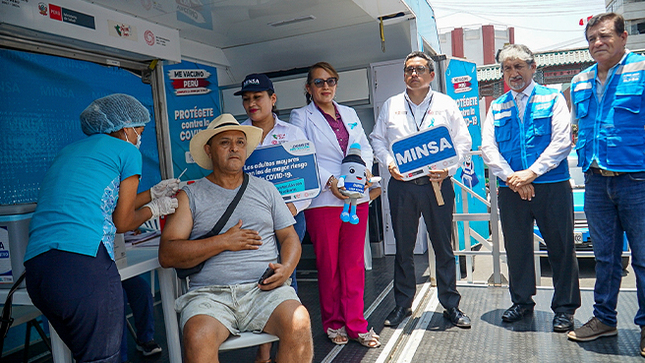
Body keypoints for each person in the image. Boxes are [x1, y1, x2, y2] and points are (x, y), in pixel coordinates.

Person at [24, 93, 179, 363]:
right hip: (83, 268)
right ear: (125, 127)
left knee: (89, 355)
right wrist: (155, 209)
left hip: (38, 272)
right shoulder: (127, 151)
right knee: (105, 357)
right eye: (139, 131)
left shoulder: (68, 152)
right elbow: (123, 222)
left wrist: (152, 194)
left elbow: (108, 205)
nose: (139, 138)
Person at [158, 114, 313, 363]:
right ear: (209, 150)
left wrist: (286, 269)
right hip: (209, 296)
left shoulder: (266, 189)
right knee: (197, 336)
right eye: (225, 142)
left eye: (240, 142)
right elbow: (167, 254)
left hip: (263, 291)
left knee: (299, 321)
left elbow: (289, 237)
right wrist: (223, 242)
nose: (234, 148)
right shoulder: (190, 195)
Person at [481, 44, 581, 332]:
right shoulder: (497, 106)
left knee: (562, 248)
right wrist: (514, 178)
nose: (513, 73)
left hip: (551, 185)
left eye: (519, 66)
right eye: (507, 68)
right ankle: (522, 302)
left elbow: (562, 141)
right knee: (517, 248)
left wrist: (531, 174)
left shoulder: (553, 99)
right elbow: (488, 148)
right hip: (512, 188)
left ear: (533, 67)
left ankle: (564, 309)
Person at [370, 51, 472, 329]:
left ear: (431, 74)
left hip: (437, 184)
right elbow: (377, 140)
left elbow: (463, 142)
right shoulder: (391, 105)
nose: (413, 74)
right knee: (403, 248)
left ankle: (451, 305)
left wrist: (449, 170)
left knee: (443, 246)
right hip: (402, 187)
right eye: (408, 70)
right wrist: (389, 163)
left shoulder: (446, 104)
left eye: (419, 69)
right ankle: (403, 305)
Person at [567, 13, 645, 353]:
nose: (597, 43)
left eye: (603, 36)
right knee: (605, 257)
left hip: (637, 180)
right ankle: (604, 320)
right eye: (591, 39)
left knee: (643, 258)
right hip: (595, 181)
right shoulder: (580, 80)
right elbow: (575, 129)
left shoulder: (642, 70)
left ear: (624, 37)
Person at [290, 62, 380, 348]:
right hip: (324, 199)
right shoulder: (300, 116)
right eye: (318, 82)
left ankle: (356, 323)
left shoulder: (350, 113)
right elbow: (300, 155)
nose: (325, 86)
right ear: (308, 88)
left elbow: (364, 146)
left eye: (330, 81)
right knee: (329, 265)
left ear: (336, 84)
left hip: (356, 194)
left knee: (353, 264)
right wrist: (330, 181)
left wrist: (362, 171)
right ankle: (333, 323)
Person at [235, 73, 311, 363]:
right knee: (258, 274)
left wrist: (292, 208)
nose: (252, 103)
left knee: (285, 274)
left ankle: (286, 342)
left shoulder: (292, 134)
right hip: (250, 221)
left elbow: (308, 180)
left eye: (257, 97)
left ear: (272, 99)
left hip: (288, 219)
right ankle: (263, 348)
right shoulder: (237, 134)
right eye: (247, 99)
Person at [120, 275, 162, 363]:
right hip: (97, 280)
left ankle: (146, 338)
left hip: (120, 274)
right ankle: (120, 356)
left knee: (142, 289)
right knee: (119, 296)